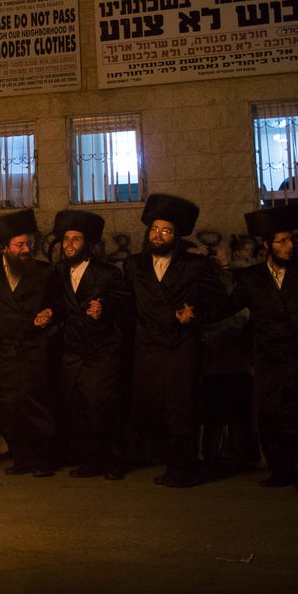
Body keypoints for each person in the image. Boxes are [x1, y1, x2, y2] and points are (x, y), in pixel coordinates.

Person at [223, 206, 298, 495]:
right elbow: (227, 307)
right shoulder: (251, 277)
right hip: (268, 355)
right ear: (267, 245)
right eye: (282, 241)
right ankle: (281, 470)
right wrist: (193, 311)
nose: (289, 245)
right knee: (269, 415)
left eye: (291, 240)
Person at [124, 194, 223, 488]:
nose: (158, 235)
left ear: (176, 235)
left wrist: (195, 314)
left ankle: (185, 468)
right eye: (154, 230)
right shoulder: (133, 265)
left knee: (182, 409)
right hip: (147, 346)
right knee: (154, 408)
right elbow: (126, 304)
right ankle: (169, 464)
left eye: (166, 231)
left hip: (182, 347)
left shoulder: (195, 266)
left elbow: (219, 303)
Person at [41, 210, 129, 480]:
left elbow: (125, 304)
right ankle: (89, 461)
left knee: (102, 409)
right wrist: (48, 314)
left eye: (75, 240)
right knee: (77, 408)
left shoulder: (108, 273)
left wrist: (105, 308)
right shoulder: (58, 271)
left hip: (102, 353)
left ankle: (114, 462)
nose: (69, 245)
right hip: (73, 352)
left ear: (87, 243)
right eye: (66, 239)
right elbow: (57, 304)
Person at [0, 209, 54, 476]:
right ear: (4, 247)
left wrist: (50, 314)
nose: (25, 249)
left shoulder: (43, 271)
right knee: (8, 407)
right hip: (1, 352)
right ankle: (20, 457)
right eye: (19, 245)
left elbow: (56, 304)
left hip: (32, 349)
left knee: (34, 406)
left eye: (28, 244)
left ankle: (41, 459)